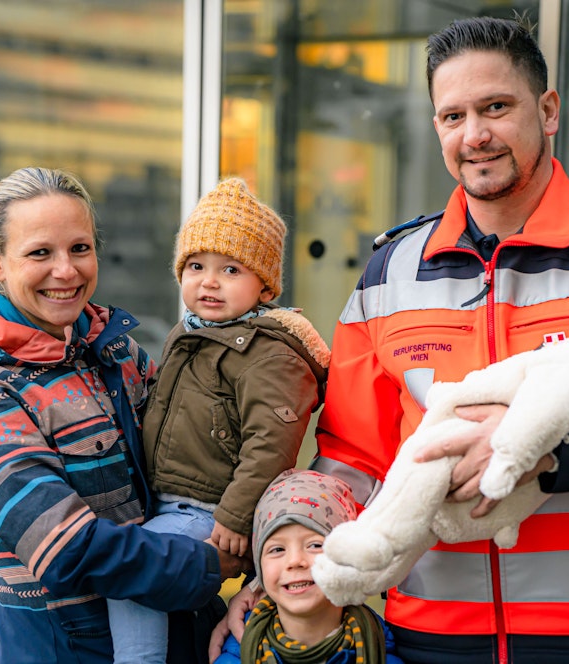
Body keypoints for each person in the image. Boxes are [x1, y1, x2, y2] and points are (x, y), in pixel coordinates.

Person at [216, 16, 569, 664]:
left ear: (547, 111)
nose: (475, 134)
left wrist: (549, 450)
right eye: (453, 115)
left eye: (495, 107)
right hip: (428, 638)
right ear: (436, 126)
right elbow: (351, 458)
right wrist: (287, 572)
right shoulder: (391, 272)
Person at [0, 166, 248, 663]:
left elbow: (205, 460)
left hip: (187, 634)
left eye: (80, 248)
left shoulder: (115, 349)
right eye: (41, 252)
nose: (67, 271)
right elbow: (67, 548)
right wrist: (211, 563)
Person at [107, 177, 331, 663]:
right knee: (148, 578)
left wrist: (233, 516)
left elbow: (270, 444)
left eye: (230, 268)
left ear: (263, 283)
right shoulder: (187, 335)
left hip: (210, 511)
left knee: (134, 572)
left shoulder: (268, 354)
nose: (209, 281)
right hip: (168, 502)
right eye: (196, 265)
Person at [214, 469, 402, 663]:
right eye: (277, 549)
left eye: (315, 545)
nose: (295, 560)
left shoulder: (382, 655)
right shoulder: (235, 657)